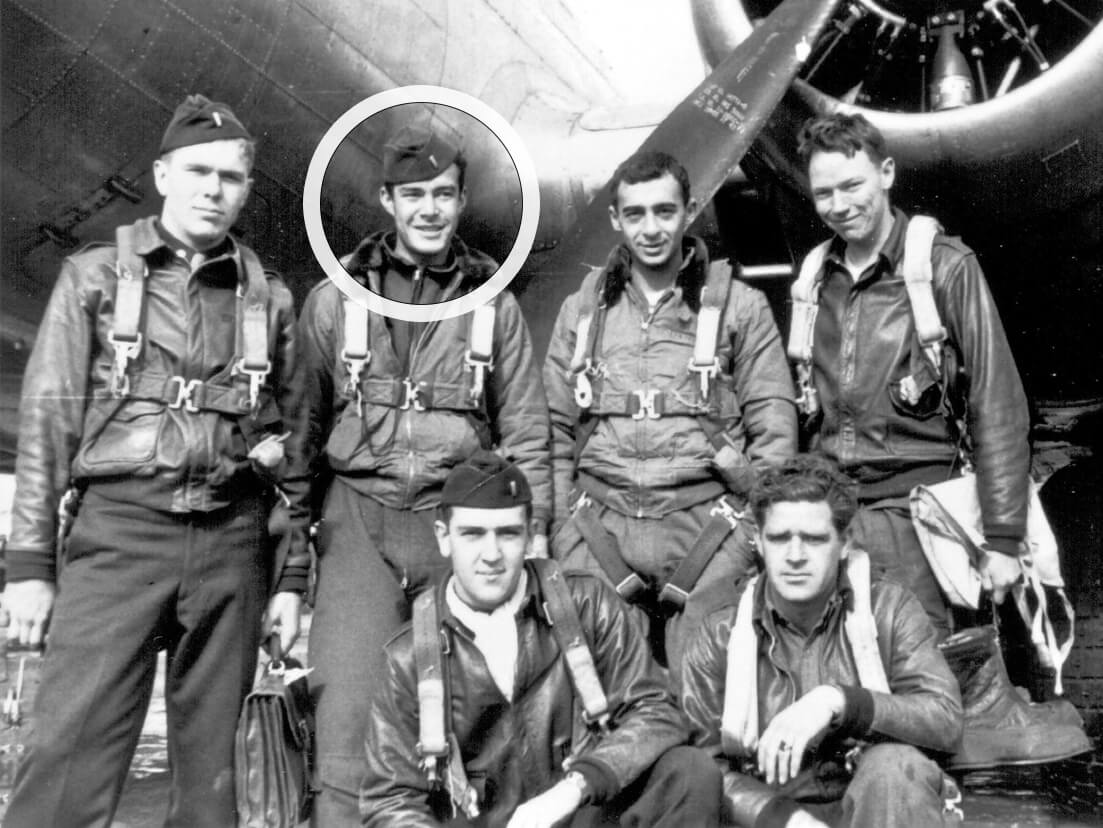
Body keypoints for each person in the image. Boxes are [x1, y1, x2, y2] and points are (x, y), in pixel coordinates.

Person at [2, 94, 306, 826]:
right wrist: (29, 570)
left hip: (233, 547)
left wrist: (290, 579)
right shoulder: (95, 278)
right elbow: (46, 423)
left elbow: (293, 456)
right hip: (119, 537)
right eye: (198, 171)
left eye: (230, 177)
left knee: (217, 787)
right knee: (64, 770)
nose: (213, 190)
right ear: (163, 175)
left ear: (245, 187)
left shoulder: (270, 299)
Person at [288, 125, 551, 824]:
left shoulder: (494, 305)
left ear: (462, 201)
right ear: (387, 201)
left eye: (442, 194)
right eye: (414, 196)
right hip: (358, 519)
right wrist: (292, 568)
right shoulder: (333, 299)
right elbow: (302, 437)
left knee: (471, 716)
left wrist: (535, 547)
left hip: (456, 525)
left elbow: (526, 432)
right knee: (343, 716)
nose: (429, 209)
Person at [360, 450, 722, 827]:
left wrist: (574, 787)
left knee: (689, 773)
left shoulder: (585, 605)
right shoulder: (409, 658)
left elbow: (657, 711)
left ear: (530, 536)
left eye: (508, 533)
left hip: (580, 815)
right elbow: (390, 801)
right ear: (444, 538)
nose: (491, 554)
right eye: (472, 534)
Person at [543, 150, 796, 677]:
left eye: (665, 211)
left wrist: (752, 532)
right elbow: (553, 428)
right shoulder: (582, 312)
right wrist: (562, 530)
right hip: (598, 532)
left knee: (712, 698)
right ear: (615, 220)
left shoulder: (740, 307)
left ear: (689, 211)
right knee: (607, 702)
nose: (651, 228)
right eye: (634, 214)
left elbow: (773, 427)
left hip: (709, 531)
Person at [790, 111, 1029, 639]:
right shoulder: (812, 282)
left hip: (919, 521)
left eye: (853, 185)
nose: (839, 205)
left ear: (888, 173)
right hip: (832, 518)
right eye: (823, 192)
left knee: (933, 688)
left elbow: (997, 401)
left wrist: (1005, 539)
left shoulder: (943, 266)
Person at [680, 454, 964, 827]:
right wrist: (783, 818)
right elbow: (702, 769)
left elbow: (944, 719)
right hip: (772, 818)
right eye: (780, 539)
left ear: (844, 543)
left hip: (875, 809)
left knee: (896, 766)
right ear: (759, 545)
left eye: (813, 539)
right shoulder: (720, 632)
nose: (795, 556)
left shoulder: (889, 609)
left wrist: (841, 701)